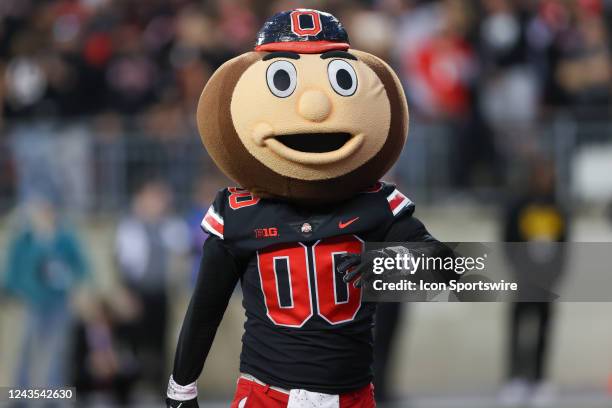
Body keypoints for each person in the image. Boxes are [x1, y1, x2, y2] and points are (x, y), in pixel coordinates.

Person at [165, 9, 458, 408]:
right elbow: (207, 305)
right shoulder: (239, 210)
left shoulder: (376, 203)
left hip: (351, 396)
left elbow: (448, 269)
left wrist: (393, 263)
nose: (316, 108)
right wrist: (182, 385)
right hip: (266, 394)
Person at [499, 159, 569, 407]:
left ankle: (539, 379)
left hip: (546, 283)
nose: (546, 179)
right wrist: (520, 272)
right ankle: (516, 379)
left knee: (544, 330)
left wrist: (554, 274)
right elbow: (507, 241)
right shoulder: (518, 206)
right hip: (522, 280)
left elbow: (564, 245)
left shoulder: (557, 207)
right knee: (518, 328)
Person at [3, 196, 89, 389]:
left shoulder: (65, 237)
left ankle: (54, 394)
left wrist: (73, 285)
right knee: (26, 350)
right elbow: (14, 269)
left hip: (58, 302)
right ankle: (21, 395)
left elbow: (80, 267)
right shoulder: (25, 238)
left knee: (56, 352)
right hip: (30, 302)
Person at [115, 180, 189, 393]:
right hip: (138, 290)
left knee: (160, 340)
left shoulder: (171, 226)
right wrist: (127, 292)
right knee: (135, 341)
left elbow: (181, 249)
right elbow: (123, 262)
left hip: (161, 291)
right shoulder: (130, 226)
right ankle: (132, 386)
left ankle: (158, 386)